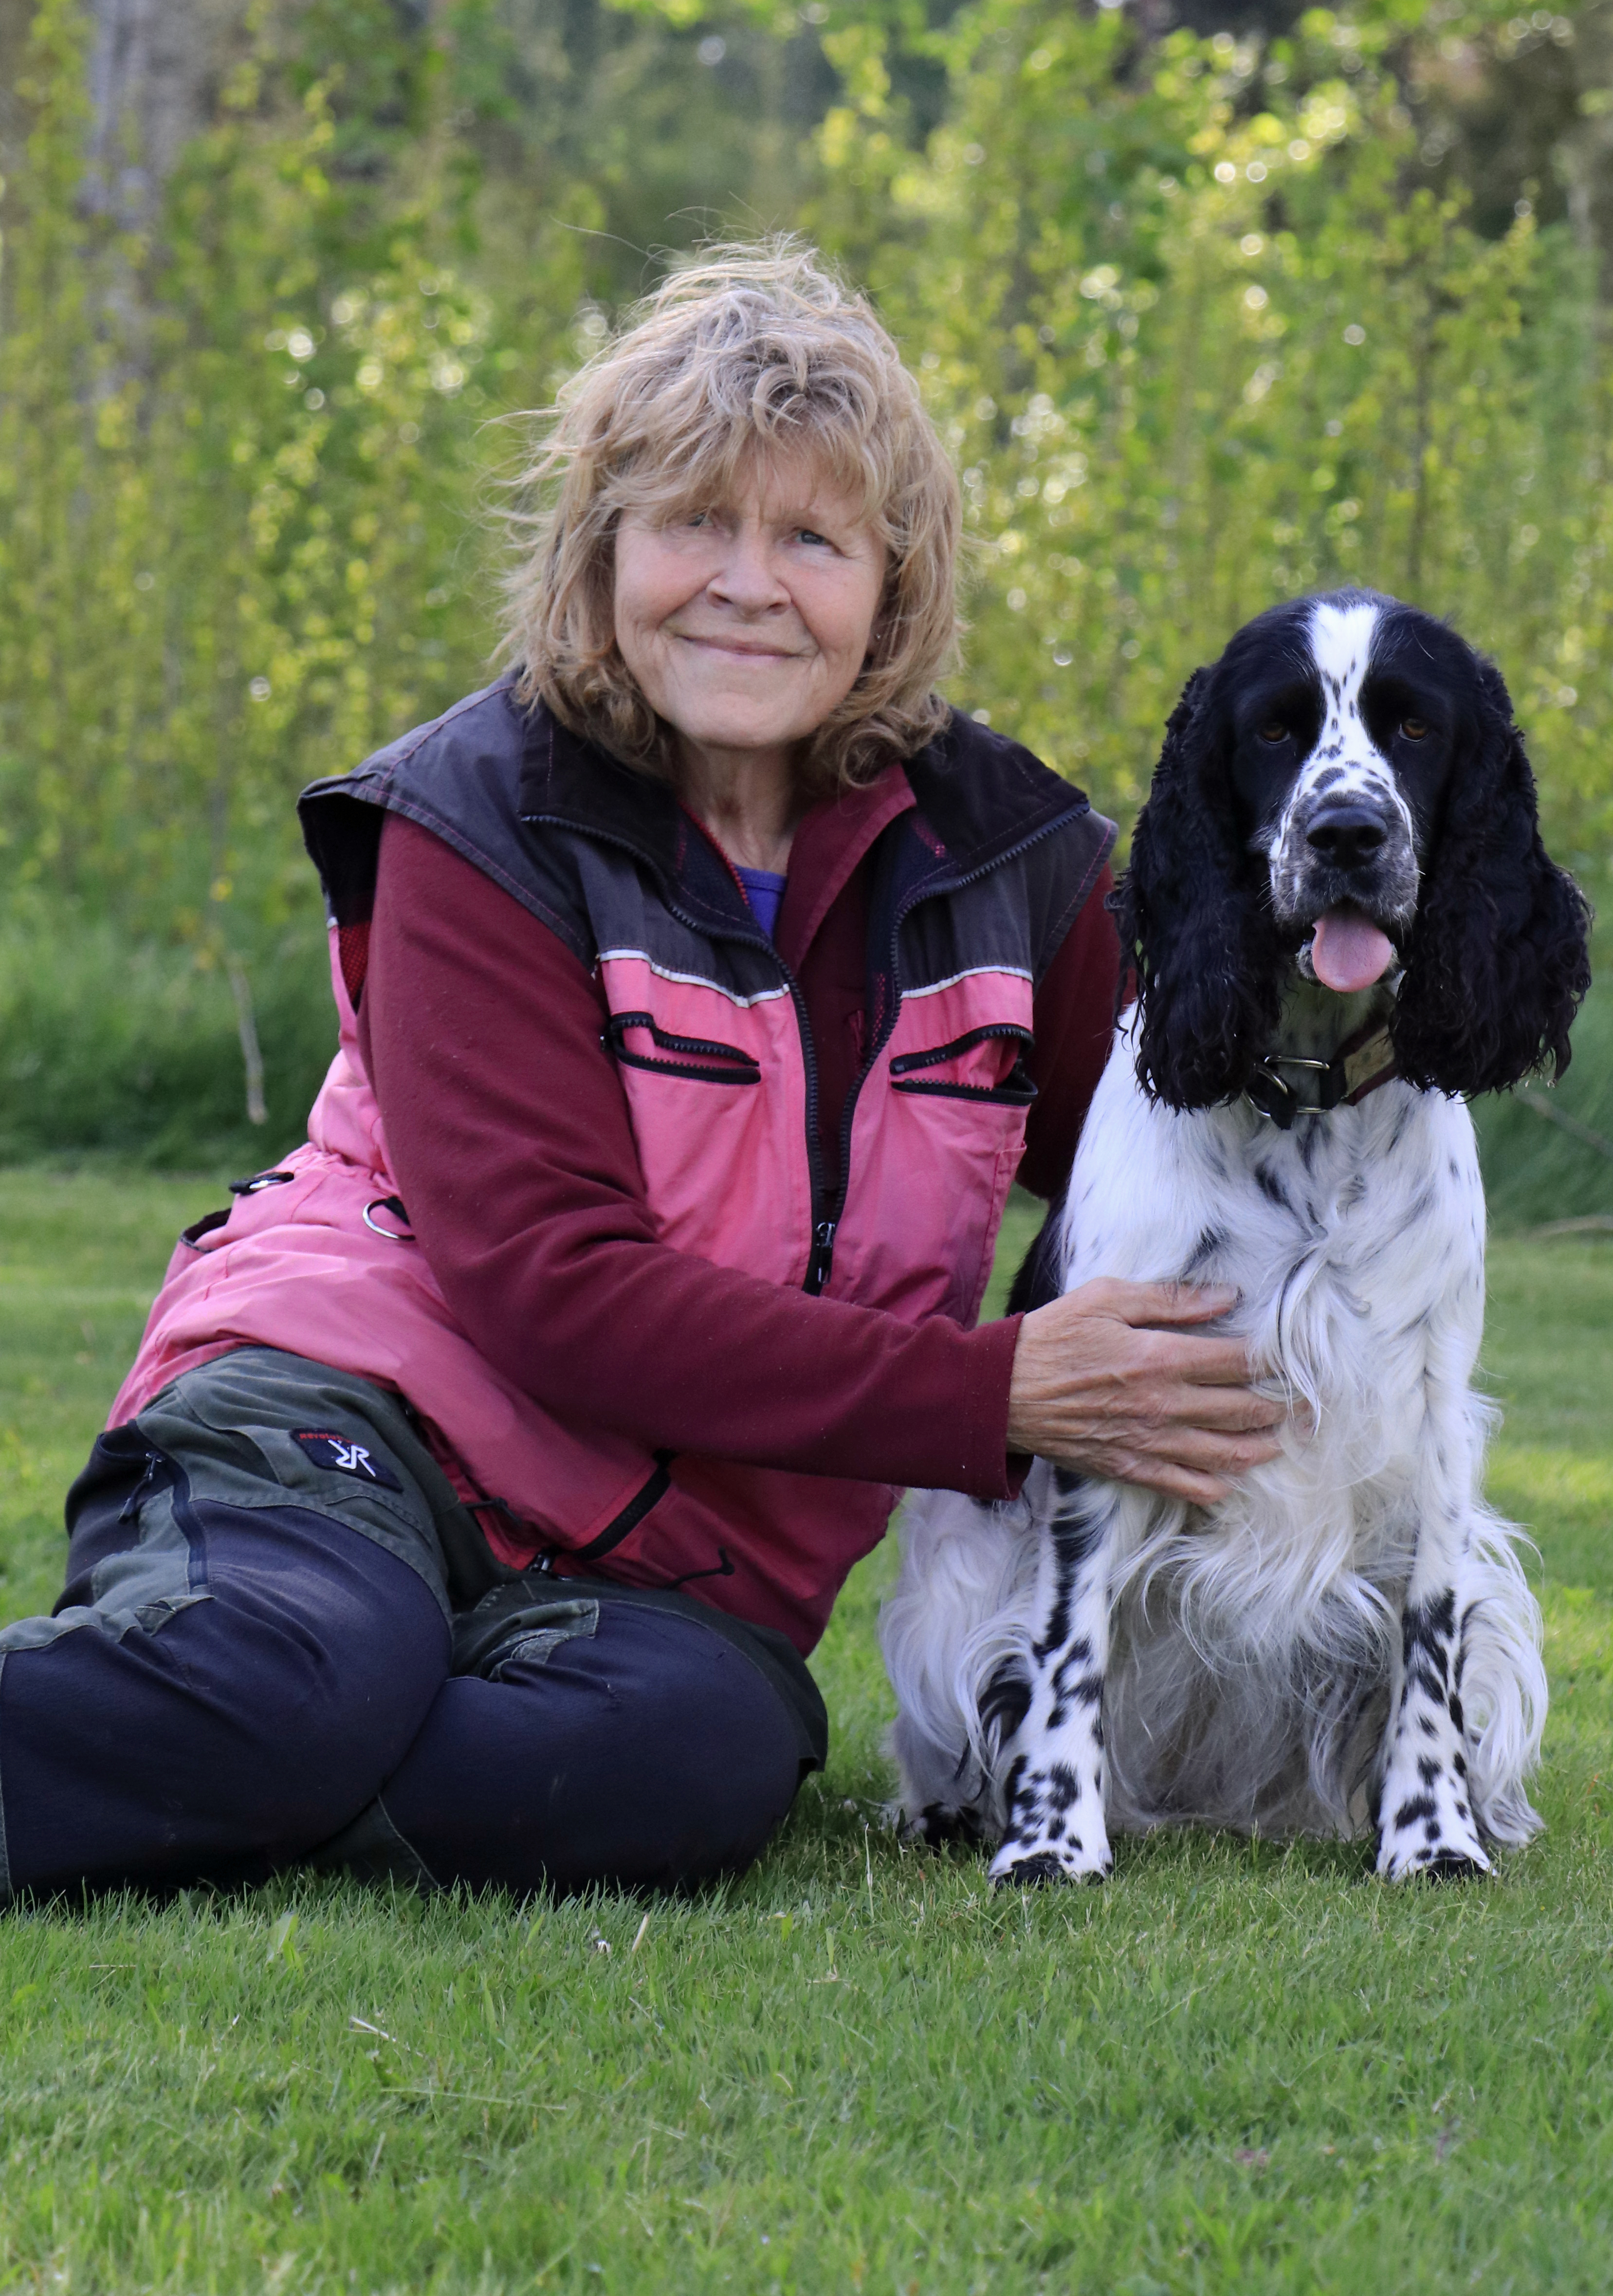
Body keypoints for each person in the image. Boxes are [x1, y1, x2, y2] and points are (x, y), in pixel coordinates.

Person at [0, 242, 1281, 1904]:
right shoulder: (476, 816)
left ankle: (260, 1771)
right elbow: (556, 1291)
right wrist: (990, 1392)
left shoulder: (1014, 859)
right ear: (603, 553)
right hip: (355, 1411)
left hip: (681, 1569)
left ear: (893, 584)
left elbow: (1202, 1114)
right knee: (295, 1675)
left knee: (686, 1772)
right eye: (693, 524)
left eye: (811, 538)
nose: (747, 582)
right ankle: (279, 1724)